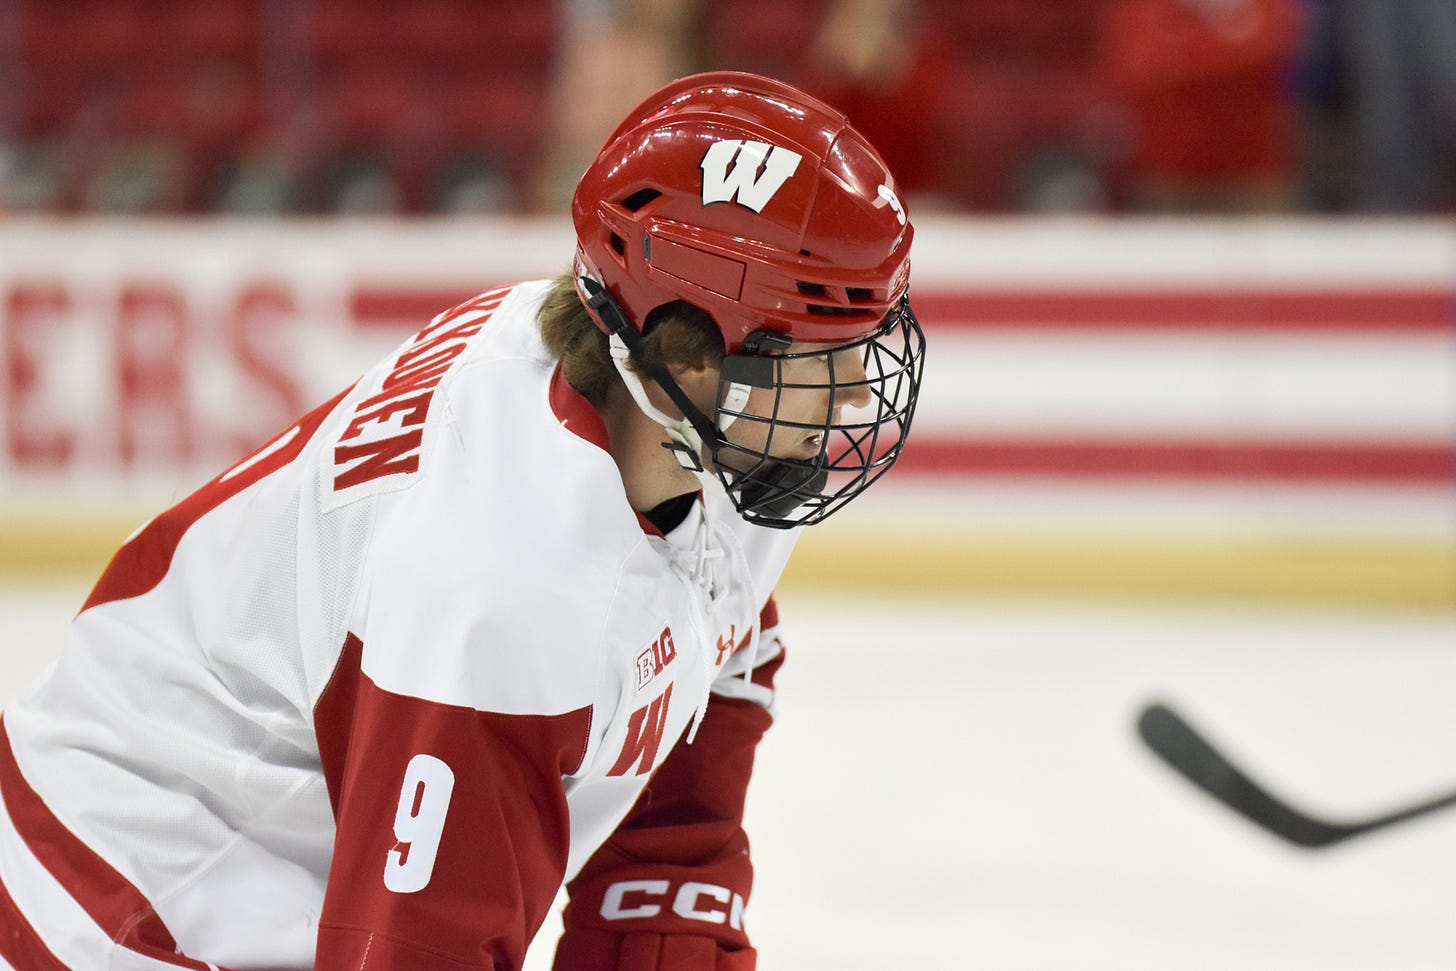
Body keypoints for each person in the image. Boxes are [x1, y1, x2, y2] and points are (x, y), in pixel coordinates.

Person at [0, 72, 925, 970]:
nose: (852, 396)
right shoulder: (502, 589)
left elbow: (704, 683)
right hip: (112, 908)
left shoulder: (692, 426)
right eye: (824, 351)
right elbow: (415, 949)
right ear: (687, 354)